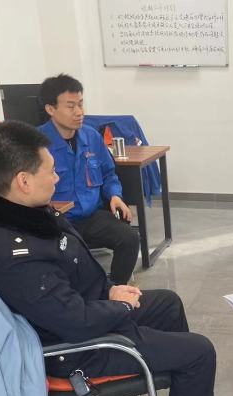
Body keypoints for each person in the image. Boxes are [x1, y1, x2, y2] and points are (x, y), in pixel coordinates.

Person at [0, 120, 223, 396]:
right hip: (77, 349)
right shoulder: (15, 252)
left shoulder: (22, 211)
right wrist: (120, 307)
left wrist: (110, 290)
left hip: (89, 312)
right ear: (23, 181)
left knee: (168, 303)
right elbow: (73, 321)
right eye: (51, 172)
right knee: (200, 352)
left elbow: (72, 273)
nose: (57, 178)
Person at [38, 74, 140, 284]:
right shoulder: (37, 144)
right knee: (69, 255)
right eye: (71, 106)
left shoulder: (92, 136)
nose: (79, 112)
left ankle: (116, 290)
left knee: (129, 238)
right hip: (58, 221)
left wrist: (115, 195)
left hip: (91, 216)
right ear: (50, 109)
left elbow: (108, 173)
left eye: (81, 104)